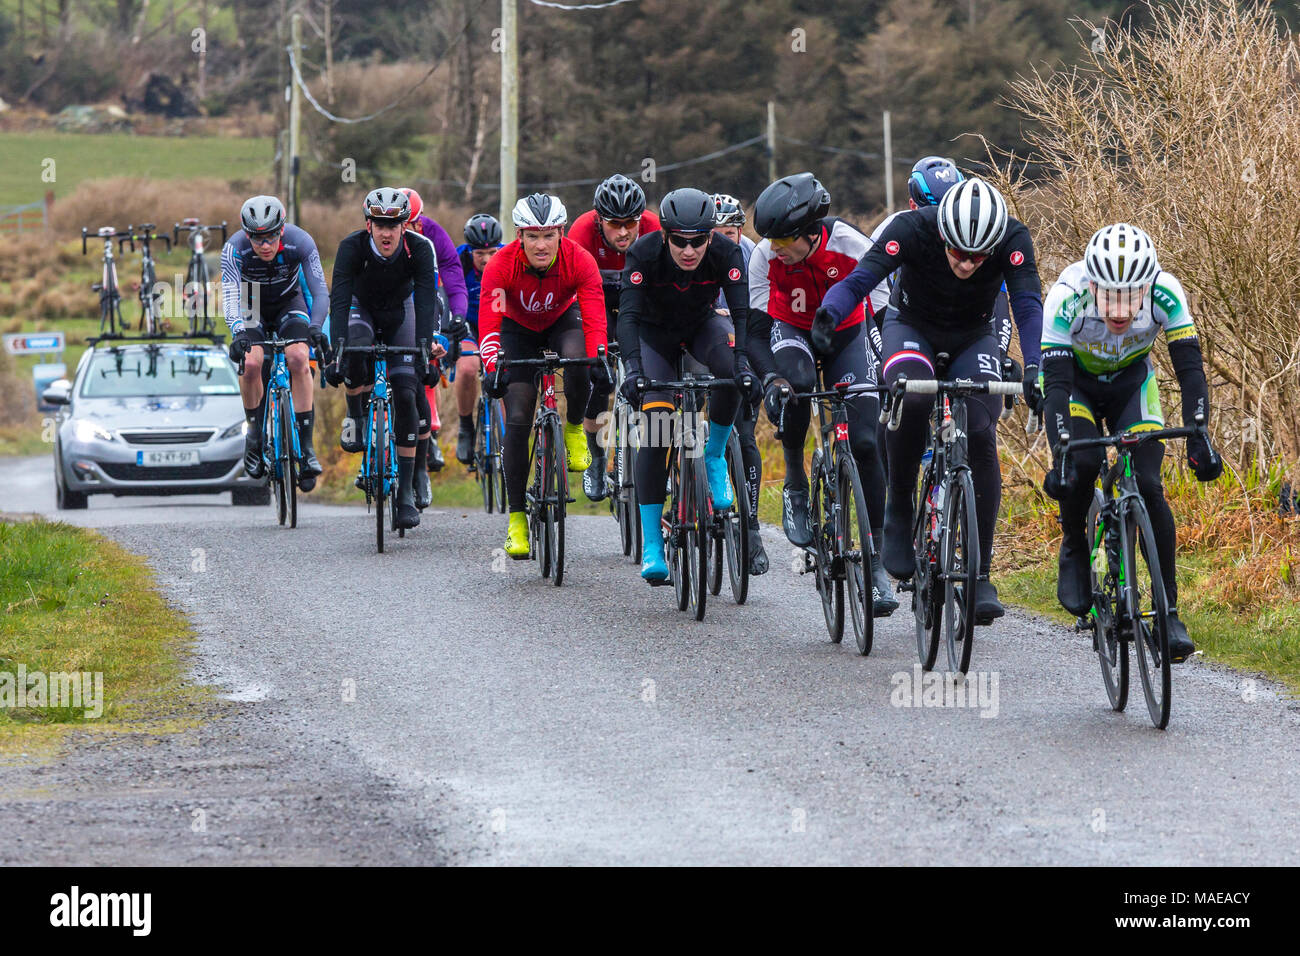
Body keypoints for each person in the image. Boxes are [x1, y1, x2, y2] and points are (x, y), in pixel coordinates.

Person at [816, 177, 1043, 624]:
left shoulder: (1013, 238)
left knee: (980, 430)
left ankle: (980, 573)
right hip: (912, 328)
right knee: (912, 396)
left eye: (978, 257)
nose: (966, 263)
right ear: (942, 235)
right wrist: (829, 313)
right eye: (958, 252)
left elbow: (1028, 303)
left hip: (972, 336)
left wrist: (1034, 366)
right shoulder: (912, 229)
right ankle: (899, 505)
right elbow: (862, 280)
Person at [1041, 223, 1221, 662]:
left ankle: (1170, 613)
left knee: (1149, 483)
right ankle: (1075, 546)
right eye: (1109, 297)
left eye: (1130, 296)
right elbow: (1058, 387)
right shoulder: (1066, 296)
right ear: (1092, 285)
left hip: (1132, 387)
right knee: (1081, 467)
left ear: (1147, 286)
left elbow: (1191, 371)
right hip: (1077, 389)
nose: (1120, 310)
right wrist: (1062, 448)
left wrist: (1199, 433)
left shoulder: (1167, 292)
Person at [744, 173, 897, 614]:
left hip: (849, 335)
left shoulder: (852, 245)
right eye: (769, 238)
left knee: (867, 440)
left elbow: (884, 317)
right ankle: (795, 480)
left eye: (783, 238)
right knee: (798, 386)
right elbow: (755, 334)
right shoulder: (763, 257)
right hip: (791, 333)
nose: (774, 247)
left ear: (813, 232)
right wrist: (771, 380)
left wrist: (888, 370)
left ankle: (878, 566)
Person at [619, 187, 747, 582]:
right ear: (665, 236)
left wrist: (745, 365)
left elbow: (742, 316)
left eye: (698, 241)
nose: (689, 251)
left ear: (711, 236)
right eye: (680, 241)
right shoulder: (643, 254)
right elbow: (627, 318)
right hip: (653, 337)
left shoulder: (727, 253)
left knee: (731, 375)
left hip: (700, 328)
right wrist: (634, 371)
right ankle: (653, 543)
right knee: (658, 429)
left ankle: (713, 455)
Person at [478, 193, 609, 557]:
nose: (540, 244)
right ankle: (517, 517)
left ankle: (572, 429)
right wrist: (492, 367)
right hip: (515, 331)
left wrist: (599, 356)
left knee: (580, 360)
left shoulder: (578, 260)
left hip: (560, 323)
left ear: (561, 233)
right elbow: (489, 324)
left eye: (548, 235)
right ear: (519, 235)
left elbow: (595, 315)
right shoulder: (500, 265)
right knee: (518, 416)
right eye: (532, 235)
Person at [330, 187, 443, 531]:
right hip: (360, 310)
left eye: (393, 225)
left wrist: (425, 347)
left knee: (408, 393)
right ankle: (355, 416)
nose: (386, 232)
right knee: (355, 352)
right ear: (368, 225)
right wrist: (336, 351)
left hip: (402, 312)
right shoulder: (351, 247)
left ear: (405, 225)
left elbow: (426, 300)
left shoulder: (421, 248)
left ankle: (406, 493)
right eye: (379, 224)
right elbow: (339, 299)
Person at [222, 194, 329, 490]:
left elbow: (320, 292)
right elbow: (230, 296)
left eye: (270, 237)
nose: (265, 245)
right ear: (247, 234)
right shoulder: (234, 249)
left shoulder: (301, 241)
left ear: (281, 229)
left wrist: (317, 327)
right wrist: (237, 332)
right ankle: (254, 435)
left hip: (288, 303)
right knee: (252, 363)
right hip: (251, 306)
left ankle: (306, 448)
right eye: (257, 239)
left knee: (297, 358)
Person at [566, 174, 662, 501]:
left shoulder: (654, 228)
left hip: (642, 300)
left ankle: (659, 457)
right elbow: (579, 293)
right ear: (598, 221)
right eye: (614, 224)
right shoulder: (580, 233)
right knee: (602, 378)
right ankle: (596, 460)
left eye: (630, 223)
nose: (623, 232)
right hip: (596, 302)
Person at [710, 192, 768, 576]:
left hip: (742, 347)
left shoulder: (752, 255)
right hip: (705, 343)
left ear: (739, 232)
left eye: (728, 234)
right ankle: (679, 491)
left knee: (746, 438)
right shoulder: (693, 252)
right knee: (676, 418)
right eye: (713, 233)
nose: (720, 241)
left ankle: (752, 525)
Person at [400, 187, 469, 488]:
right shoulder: (382, 233)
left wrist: (458, 314)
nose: (407, 230)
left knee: (429, 357)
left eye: (412, 223)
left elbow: (453, 275)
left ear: (420, 219)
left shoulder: (433, 234)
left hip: (426, 297)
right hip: (389, 299)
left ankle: (433, 433)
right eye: (402, 224)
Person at [445, 213, 504, 467]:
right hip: (468, 324)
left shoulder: (510, 256)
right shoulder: (458, 259)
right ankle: (466, 427)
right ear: (470, 250)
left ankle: (507, 438)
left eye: (491, 252)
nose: (487, 259)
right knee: (468, 368)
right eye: (480, 253)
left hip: (500, 323)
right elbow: (444, 297)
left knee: (505, 375)